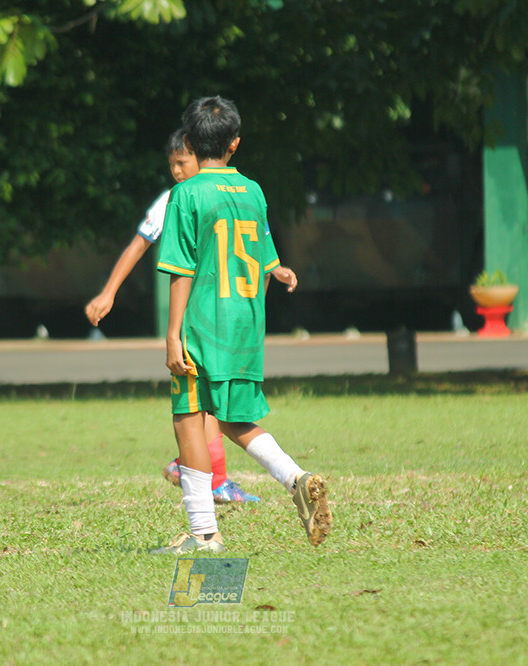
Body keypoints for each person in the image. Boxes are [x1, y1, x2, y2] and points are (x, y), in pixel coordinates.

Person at [152, 96, 331, 554]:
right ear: (235, 143)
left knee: (189, 418)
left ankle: (203, 533)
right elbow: (264, 252)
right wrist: (278, 270)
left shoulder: (186, 193)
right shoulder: (252, 190)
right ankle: (296, 477)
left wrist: (173, 335)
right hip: (247, 321)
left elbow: (181, 269)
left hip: (204, 322)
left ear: (189, 142)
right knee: (232, 416)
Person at [85, 130, 298, 503]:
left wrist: (274, 267)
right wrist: (108, 292)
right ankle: (222, 479)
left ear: (202, 155)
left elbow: (248, 246)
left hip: (208, 316)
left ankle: (205, 505)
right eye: (172, 166)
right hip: (221, 318)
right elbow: (143, 244)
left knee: (201, 408)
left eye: (182, 163)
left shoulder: (198, 196)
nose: (177, 172)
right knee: (209, 409)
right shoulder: (216, 192)